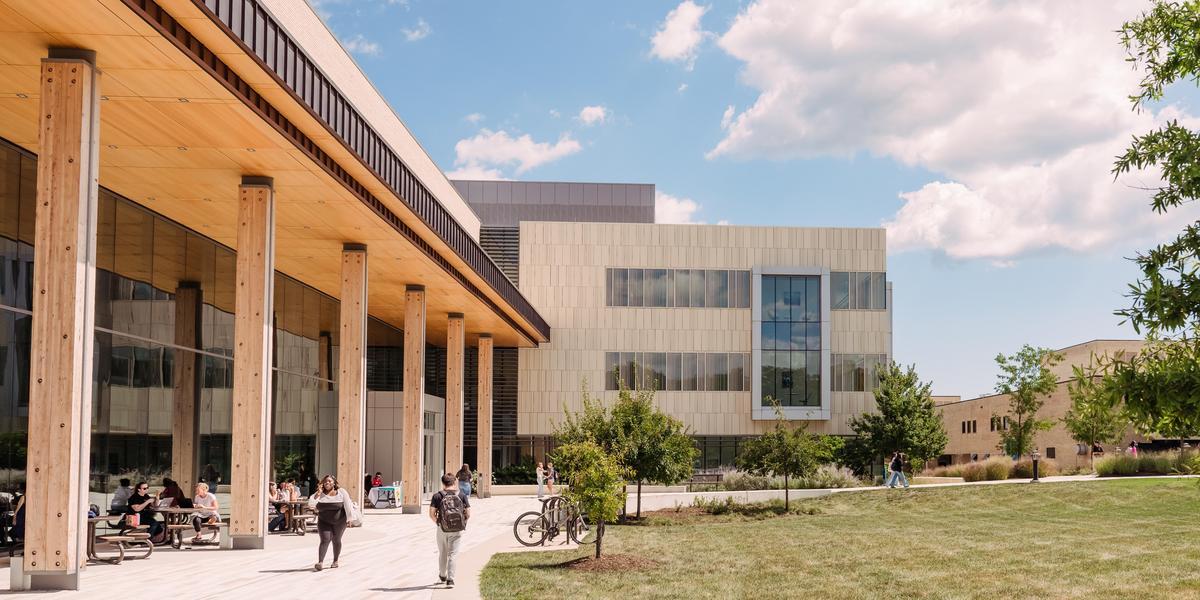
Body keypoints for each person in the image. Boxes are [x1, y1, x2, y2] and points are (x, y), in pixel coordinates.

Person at [429, 472, 470, 588]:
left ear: (443, 483)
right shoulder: (461, 495)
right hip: (457, 529)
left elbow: (431, 514)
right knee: (453, 554)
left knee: (443, 552)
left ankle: (442, 575)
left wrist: (439, 523)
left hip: (442, 528)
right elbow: (468, 513)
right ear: (455, 482)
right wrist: (463, 522)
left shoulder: (437, 496)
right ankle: (450, 580)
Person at [308, 474, 354, 571]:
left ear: (334, 483)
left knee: (336, 540)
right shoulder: (319, 494)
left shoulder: (341, 492)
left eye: (329, 481)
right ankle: (320, 562)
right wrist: (318, 493)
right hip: (323, 521)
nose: (327, 483)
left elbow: (348, 505)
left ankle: (335, 560)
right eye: (325, 481)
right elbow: (311, 504)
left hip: (340, 521)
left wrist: (350, 519)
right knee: (325, 539)